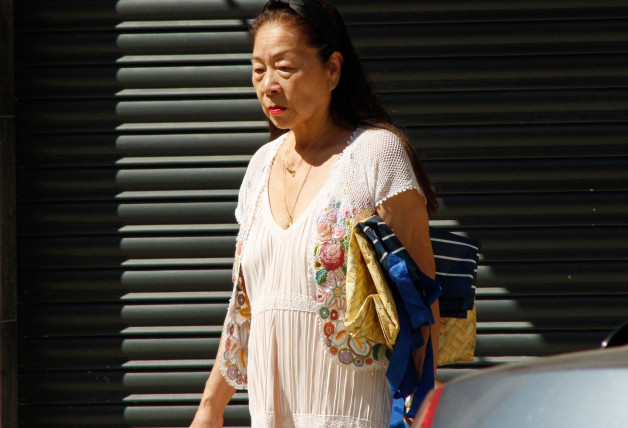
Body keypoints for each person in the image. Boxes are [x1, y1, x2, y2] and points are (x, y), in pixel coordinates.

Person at [189, 0, 440, 427]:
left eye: (285, 68)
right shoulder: (259, 167)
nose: (268, 84)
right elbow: (244, 309)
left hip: (355, 414)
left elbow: (422, 304)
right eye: (258, 69)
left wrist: (418, 412)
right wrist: (210, 408)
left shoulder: (376, 155)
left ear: (333, 69)